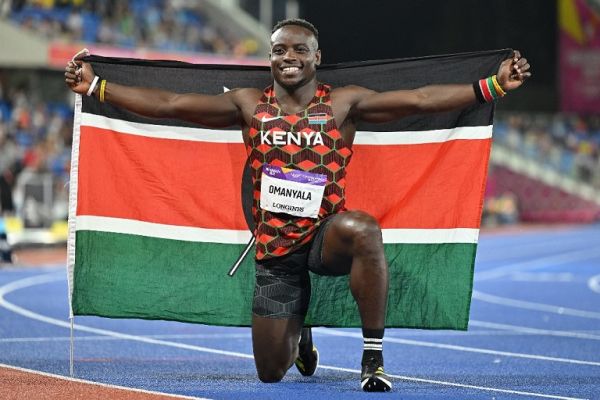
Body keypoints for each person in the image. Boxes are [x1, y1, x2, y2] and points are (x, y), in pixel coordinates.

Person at [65, 18, 531, 392]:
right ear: (269, 58)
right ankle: (301, 331)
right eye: (279, 50)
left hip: (325, 236)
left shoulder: (343, 104)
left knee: (365, 228)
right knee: (272, 373)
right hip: (275, 251)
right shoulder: (250, 104)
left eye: (298, 50)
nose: (288, 57)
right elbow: (169, 103)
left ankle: (372, 356)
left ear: (316, 58)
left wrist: (491, 86)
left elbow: (420, 99)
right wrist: (95, 86)